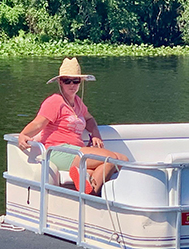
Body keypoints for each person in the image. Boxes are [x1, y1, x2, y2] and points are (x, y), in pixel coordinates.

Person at [17, 57, 128, 195]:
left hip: (76, 150)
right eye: (67, 81)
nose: (72, 84)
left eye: (75, 81)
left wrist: (95, 134)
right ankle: (88, 190)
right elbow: (38, 123)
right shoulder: (55, 101)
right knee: (110, 158)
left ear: (80, 82)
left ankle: (87, 183)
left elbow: (89, 119)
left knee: (123, 160)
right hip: (59, 150)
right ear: (60, 82)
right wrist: (24, 134)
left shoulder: (78, 102)